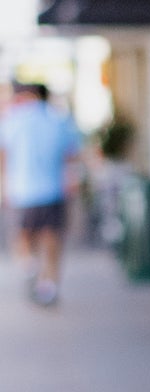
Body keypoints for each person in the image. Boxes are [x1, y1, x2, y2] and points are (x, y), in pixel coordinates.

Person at [0, 80, 83, 306]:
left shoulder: (11, 120)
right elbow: (72, 155)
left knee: (23, 234)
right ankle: (49, 284)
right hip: (52, 189)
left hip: (22, 190)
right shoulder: (58, 119)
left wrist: (4, 184)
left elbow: (3, 155)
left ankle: (29, 266)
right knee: (51, 236)